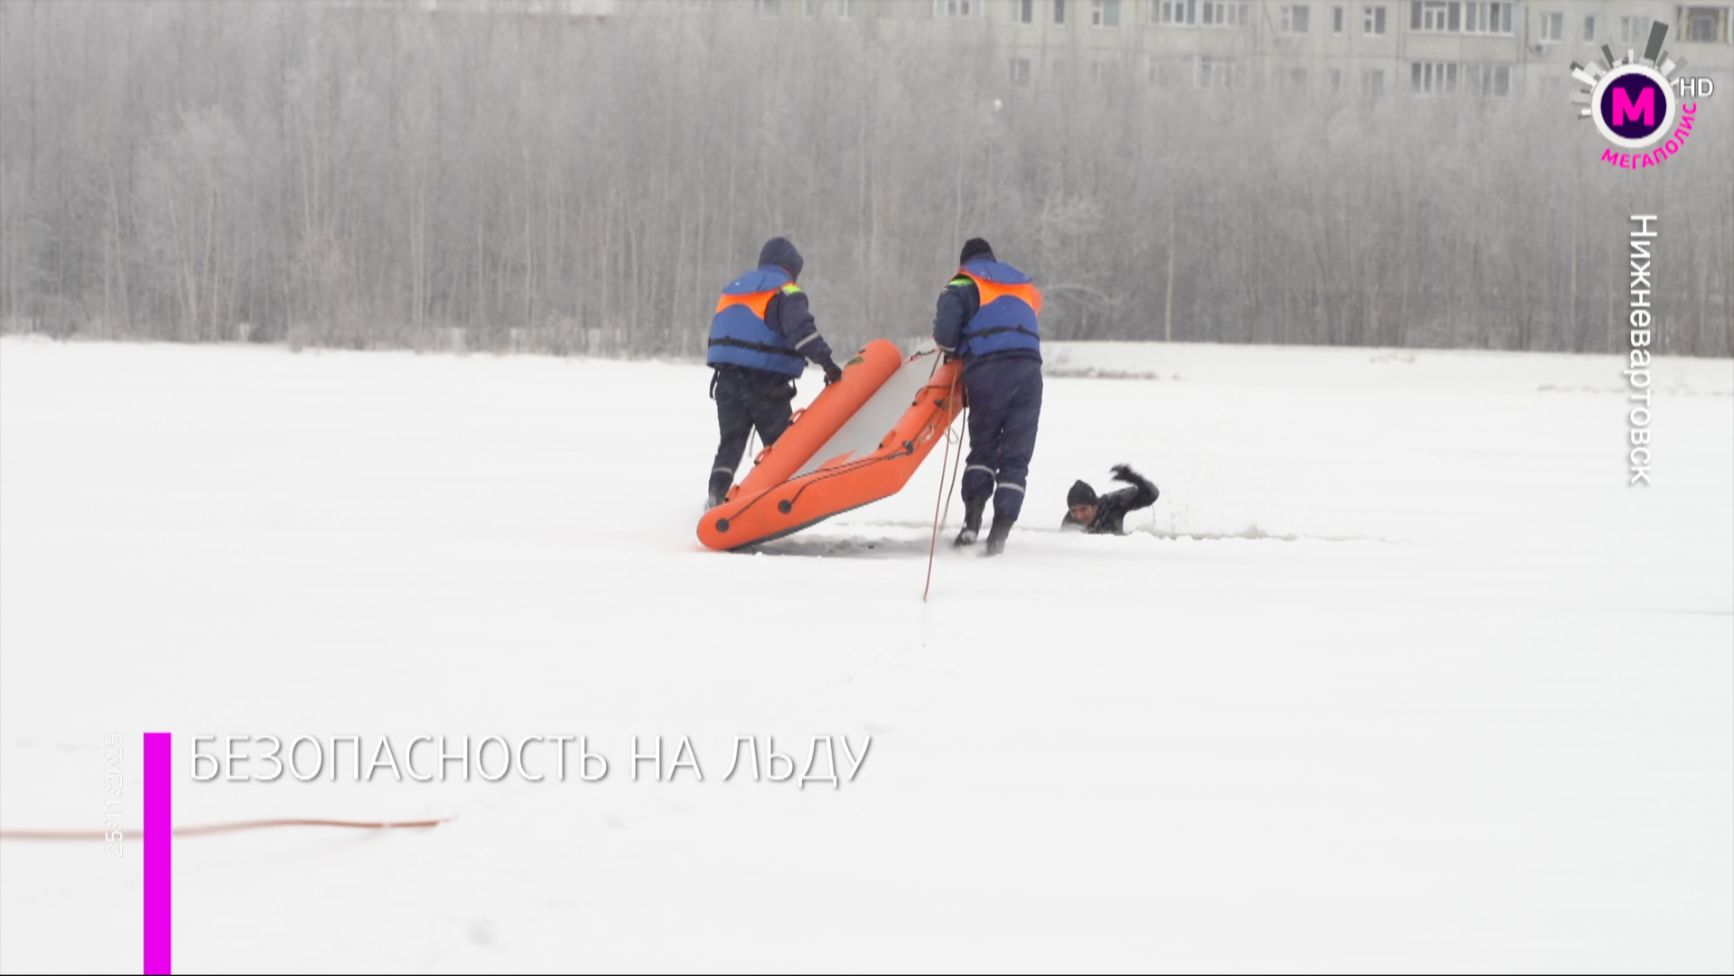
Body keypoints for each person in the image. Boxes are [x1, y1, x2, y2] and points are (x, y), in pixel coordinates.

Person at [705, 237, 843, 509]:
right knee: (782, 448)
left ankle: (716, 497)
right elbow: (801, 331)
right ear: (789, 267)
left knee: (730, 442)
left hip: (726, 380)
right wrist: (827, 362)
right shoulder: (785, 291)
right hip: (764, 383)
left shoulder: (734, 290)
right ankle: (779, 505)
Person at [933, 237, 1043, 557]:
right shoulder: (1022, 284)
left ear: (965, 262)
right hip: (1029, 371)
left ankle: (971, 522)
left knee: (983, 447)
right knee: (1016, 455)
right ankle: (1000, 532)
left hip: (989, 371)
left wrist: (956, 351)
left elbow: (944, 333)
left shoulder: (963, 282)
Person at [1062, 465, 1160, 535]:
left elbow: (1152, 495)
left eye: (1083, 509)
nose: (1079, 516)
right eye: (1074, 511)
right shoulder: (1069, 521)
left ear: (1095, 506)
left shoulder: (1113, 505)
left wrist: (1136, 479)